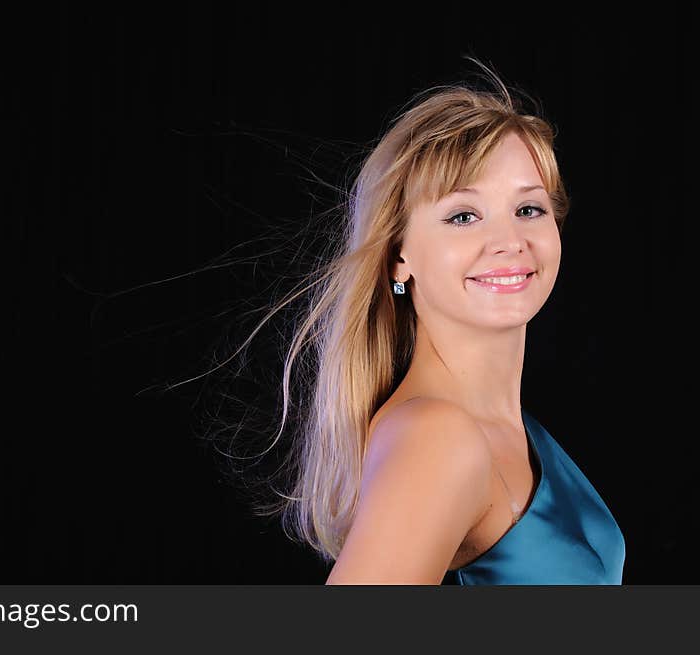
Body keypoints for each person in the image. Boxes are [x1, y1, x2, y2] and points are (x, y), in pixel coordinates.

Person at [224, 58, 625, 585]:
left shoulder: (513, 429)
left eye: (529, 209)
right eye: (463, 216)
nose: (509, 241)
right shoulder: (438, 437)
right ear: (399, 257)